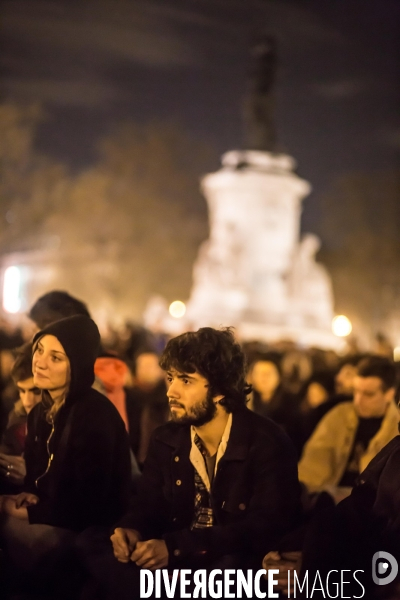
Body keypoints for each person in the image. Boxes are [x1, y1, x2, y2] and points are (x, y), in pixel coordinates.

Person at [78, 327, 301, 600]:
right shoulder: (167, 438)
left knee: (231, 570)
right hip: (175, 562)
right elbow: (148, 506)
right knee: (90, 542)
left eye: (186, 381)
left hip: (230, 563)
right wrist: (131, 530)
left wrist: (175, 547)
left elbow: (264, 526)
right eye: (170, 378)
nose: (171, 391)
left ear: (220, 390)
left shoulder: (267, 441)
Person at [0, 315, 131, 597]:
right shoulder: (39, 413)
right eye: (39, 350)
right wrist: (28, 494)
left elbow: (92, 503)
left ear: (78, 365)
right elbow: (38, 477)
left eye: (56, 357)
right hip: (55, 516)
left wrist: (29, 511)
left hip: (93, 531)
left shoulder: (95, 415)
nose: (40, 362)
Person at [298, 355, 399, 503]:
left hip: (372, 512)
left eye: (368, 394)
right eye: (356, 391)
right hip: (327, 503)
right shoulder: (339, 415)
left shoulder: (396, 428)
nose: (358, 400)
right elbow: (312, 467)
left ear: (389, 394)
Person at [0, 343, 41, 494]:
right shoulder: (17, 417)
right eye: (22, 391)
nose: (27, 401)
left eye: (36, 391)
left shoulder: (72, 421)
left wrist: (33, 475)